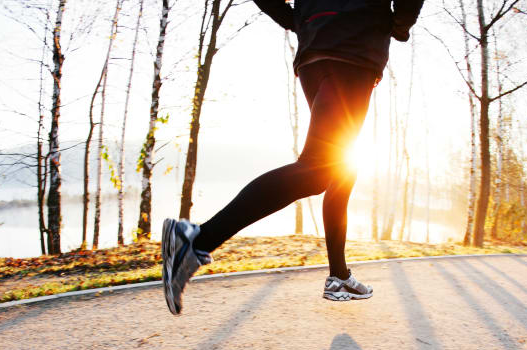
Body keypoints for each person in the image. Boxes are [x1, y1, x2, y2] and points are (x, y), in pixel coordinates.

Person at [162, 0, 425, 315]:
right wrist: (400, 23)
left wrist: (297, 19)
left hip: (316, 45)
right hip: (355, 41)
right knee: (318, 171)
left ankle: (339, 276)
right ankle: (197, 239)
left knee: (341, 168)